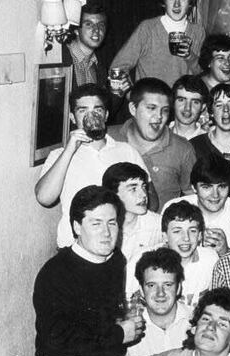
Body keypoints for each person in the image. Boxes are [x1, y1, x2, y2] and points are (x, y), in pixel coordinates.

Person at [34, 185, 149, 356]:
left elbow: (101, 320)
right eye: (96, 223)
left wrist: (124, 321)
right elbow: (56, 341)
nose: (107, 233)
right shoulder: (56, 273)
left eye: (112, 223)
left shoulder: (115, 260)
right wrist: (119, 334)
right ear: (77, 227)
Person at [35, 83, 147, 247]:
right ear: (73, 118)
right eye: (83, 111)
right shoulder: (59, 155)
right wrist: (70, 150)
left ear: (106, 114)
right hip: (74, 246)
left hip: (119, 246)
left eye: (97, 109)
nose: (92, 116)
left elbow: (149, 198)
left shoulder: (126, 151)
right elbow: (44, 198)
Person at [108, 77, 197, 211]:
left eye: (165, 110)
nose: (159, 116)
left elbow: (193, 197)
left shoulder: (182, 149)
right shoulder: (109, 138)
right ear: (133, 109)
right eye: (151, 108)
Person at [125, 200, 218, 311]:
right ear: (164, 236)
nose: (186, 238)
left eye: (192, 231)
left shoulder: (210, 259)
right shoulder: (142, 259)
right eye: (177, 231)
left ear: (200, 236)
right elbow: (124, 301)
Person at [110, 0, 205, 85]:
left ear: (190, 3)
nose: (177, 4)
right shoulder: (147, 28)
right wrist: (133, 94)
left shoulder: (198, 32)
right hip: (151, 99)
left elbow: (204, 75)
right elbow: (117, 67)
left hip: (182, 99)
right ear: (163, 2)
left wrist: (190, 56)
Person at [162, 155, 230, 256]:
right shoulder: (174, 208)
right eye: (207, 187)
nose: (215, 195)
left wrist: (226, 252)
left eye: (222, 186)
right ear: (194, 188)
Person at [127, 247, 190, 356]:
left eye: (167, 285)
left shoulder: (196, 322)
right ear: (141, 290)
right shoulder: (129, 329)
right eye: (151, 285)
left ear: (179, 288)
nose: (160, 293)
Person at [101, 162, 161, 260]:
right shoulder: (100, 227)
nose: (143, 195)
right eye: (133, 189)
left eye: (144, 187)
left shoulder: (157, 225)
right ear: (114, 194)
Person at [169, 75, 209, 141]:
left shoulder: (209, 142)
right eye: (181, 100)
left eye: (195, 102)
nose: (187, 108)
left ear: (203, 107)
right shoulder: (160, 136)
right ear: (173, 102)